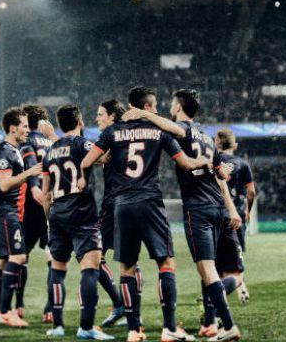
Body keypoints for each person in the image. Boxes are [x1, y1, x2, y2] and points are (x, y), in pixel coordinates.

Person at [78, 86, 209, 342]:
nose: (158, 109)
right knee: (166, 264)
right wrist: (204, 162)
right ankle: (169, 328)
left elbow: (86, 162)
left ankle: (133, 331)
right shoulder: (158, 131)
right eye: (155, 105)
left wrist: (89, 174)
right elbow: (186, 163)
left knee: (127, 268)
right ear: (147, 107)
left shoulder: (112, 132)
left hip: (122, 205)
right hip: (149, 202)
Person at [122, 89, 243, 341]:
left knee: (206, 268)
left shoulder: (183, 129)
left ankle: (228, 325)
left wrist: (143, 114)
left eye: (171, 104)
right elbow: (221, 175)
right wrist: (231, 208)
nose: (168, 108)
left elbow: (175, 129)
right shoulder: (207, 137)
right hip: (217, 207)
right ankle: (214, 320)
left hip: (198, 208)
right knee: (209, 270)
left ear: (178, 107)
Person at [43, 104, 114, 340]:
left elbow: (45, 194)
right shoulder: (81, 144)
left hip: (57, 213)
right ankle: (86, 326)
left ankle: (57, 326)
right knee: (90, 267)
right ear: (80, 121)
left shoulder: (50, 151)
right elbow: (102, 157)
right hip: (81, 211)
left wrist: (50, 220)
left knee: (57, 268)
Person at [0, 106, 43, 328]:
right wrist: (29, 173)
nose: (28, 130)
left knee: (4, 261)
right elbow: (3, 184)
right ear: (12, 128)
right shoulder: (6, 151)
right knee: (18, 258)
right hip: (5, 210)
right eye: (24, 126)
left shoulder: (8, 149)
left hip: (9, 210)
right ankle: (6, 312)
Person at [18, 104, 59, 322]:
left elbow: (31, 164)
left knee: (21, 255)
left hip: (31, 204)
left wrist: (34, 186)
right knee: (52, 256)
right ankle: (50, 308)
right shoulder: (52, 142)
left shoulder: (27, 141)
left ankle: (18, 305)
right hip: (51, 201)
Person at [94, 100, 129, 328]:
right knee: (129, 259)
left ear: (112, 116)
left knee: (92, 255)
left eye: (100, 114)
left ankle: (120, 305)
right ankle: (131, 310)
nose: (97, 118)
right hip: (128, 203)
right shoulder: (126, 135)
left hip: (112, 205)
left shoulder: (109, 135)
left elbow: (85, 157)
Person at [216, 128, 256, 304]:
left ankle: (217, 293)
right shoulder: (243, 164)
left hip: (216, 213)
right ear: (235, 145)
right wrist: (248, 210)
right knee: (237, 253)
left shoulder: (212, 161)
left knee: (216, 257)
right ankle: (240, 288)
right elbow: (251, 192)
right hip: (236, 215)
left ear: (216, 144)